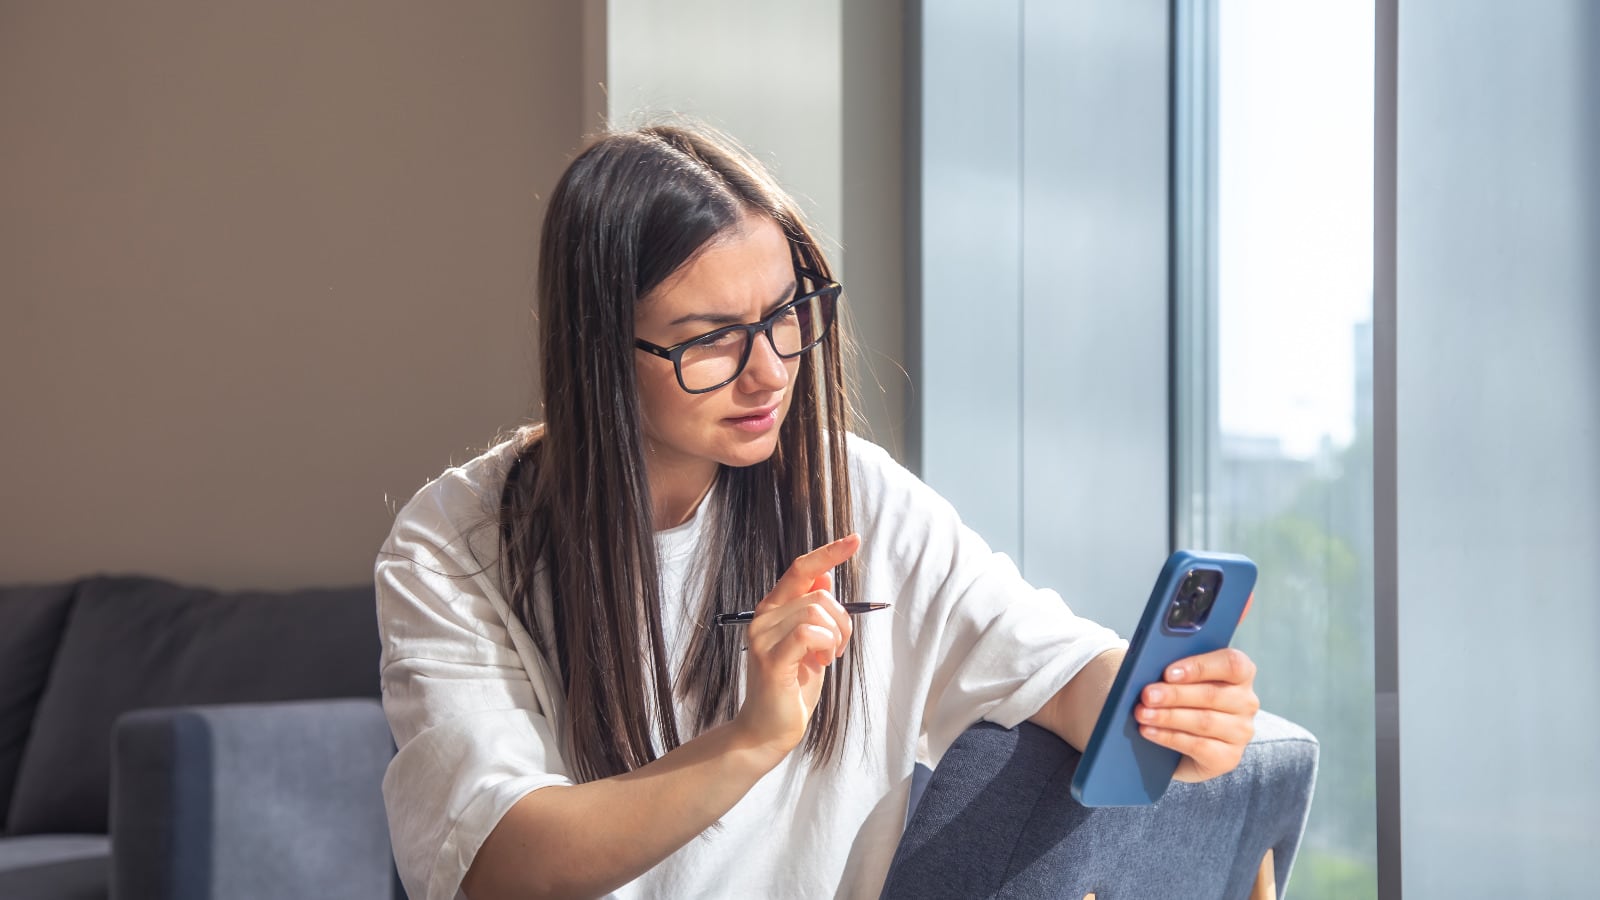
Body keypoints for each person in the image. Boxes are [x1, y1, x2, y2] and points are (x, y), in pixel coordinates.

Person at [375, 124, 1261, 900]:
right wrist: (750, 739)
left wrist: (1173, 712)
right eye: (711, 339)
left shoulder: (851, 494)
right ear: (599, 346)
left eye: (787, 314)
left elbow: (1057, 671)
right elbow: (501, 862)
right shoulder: (456, 546)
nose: (769, 372)